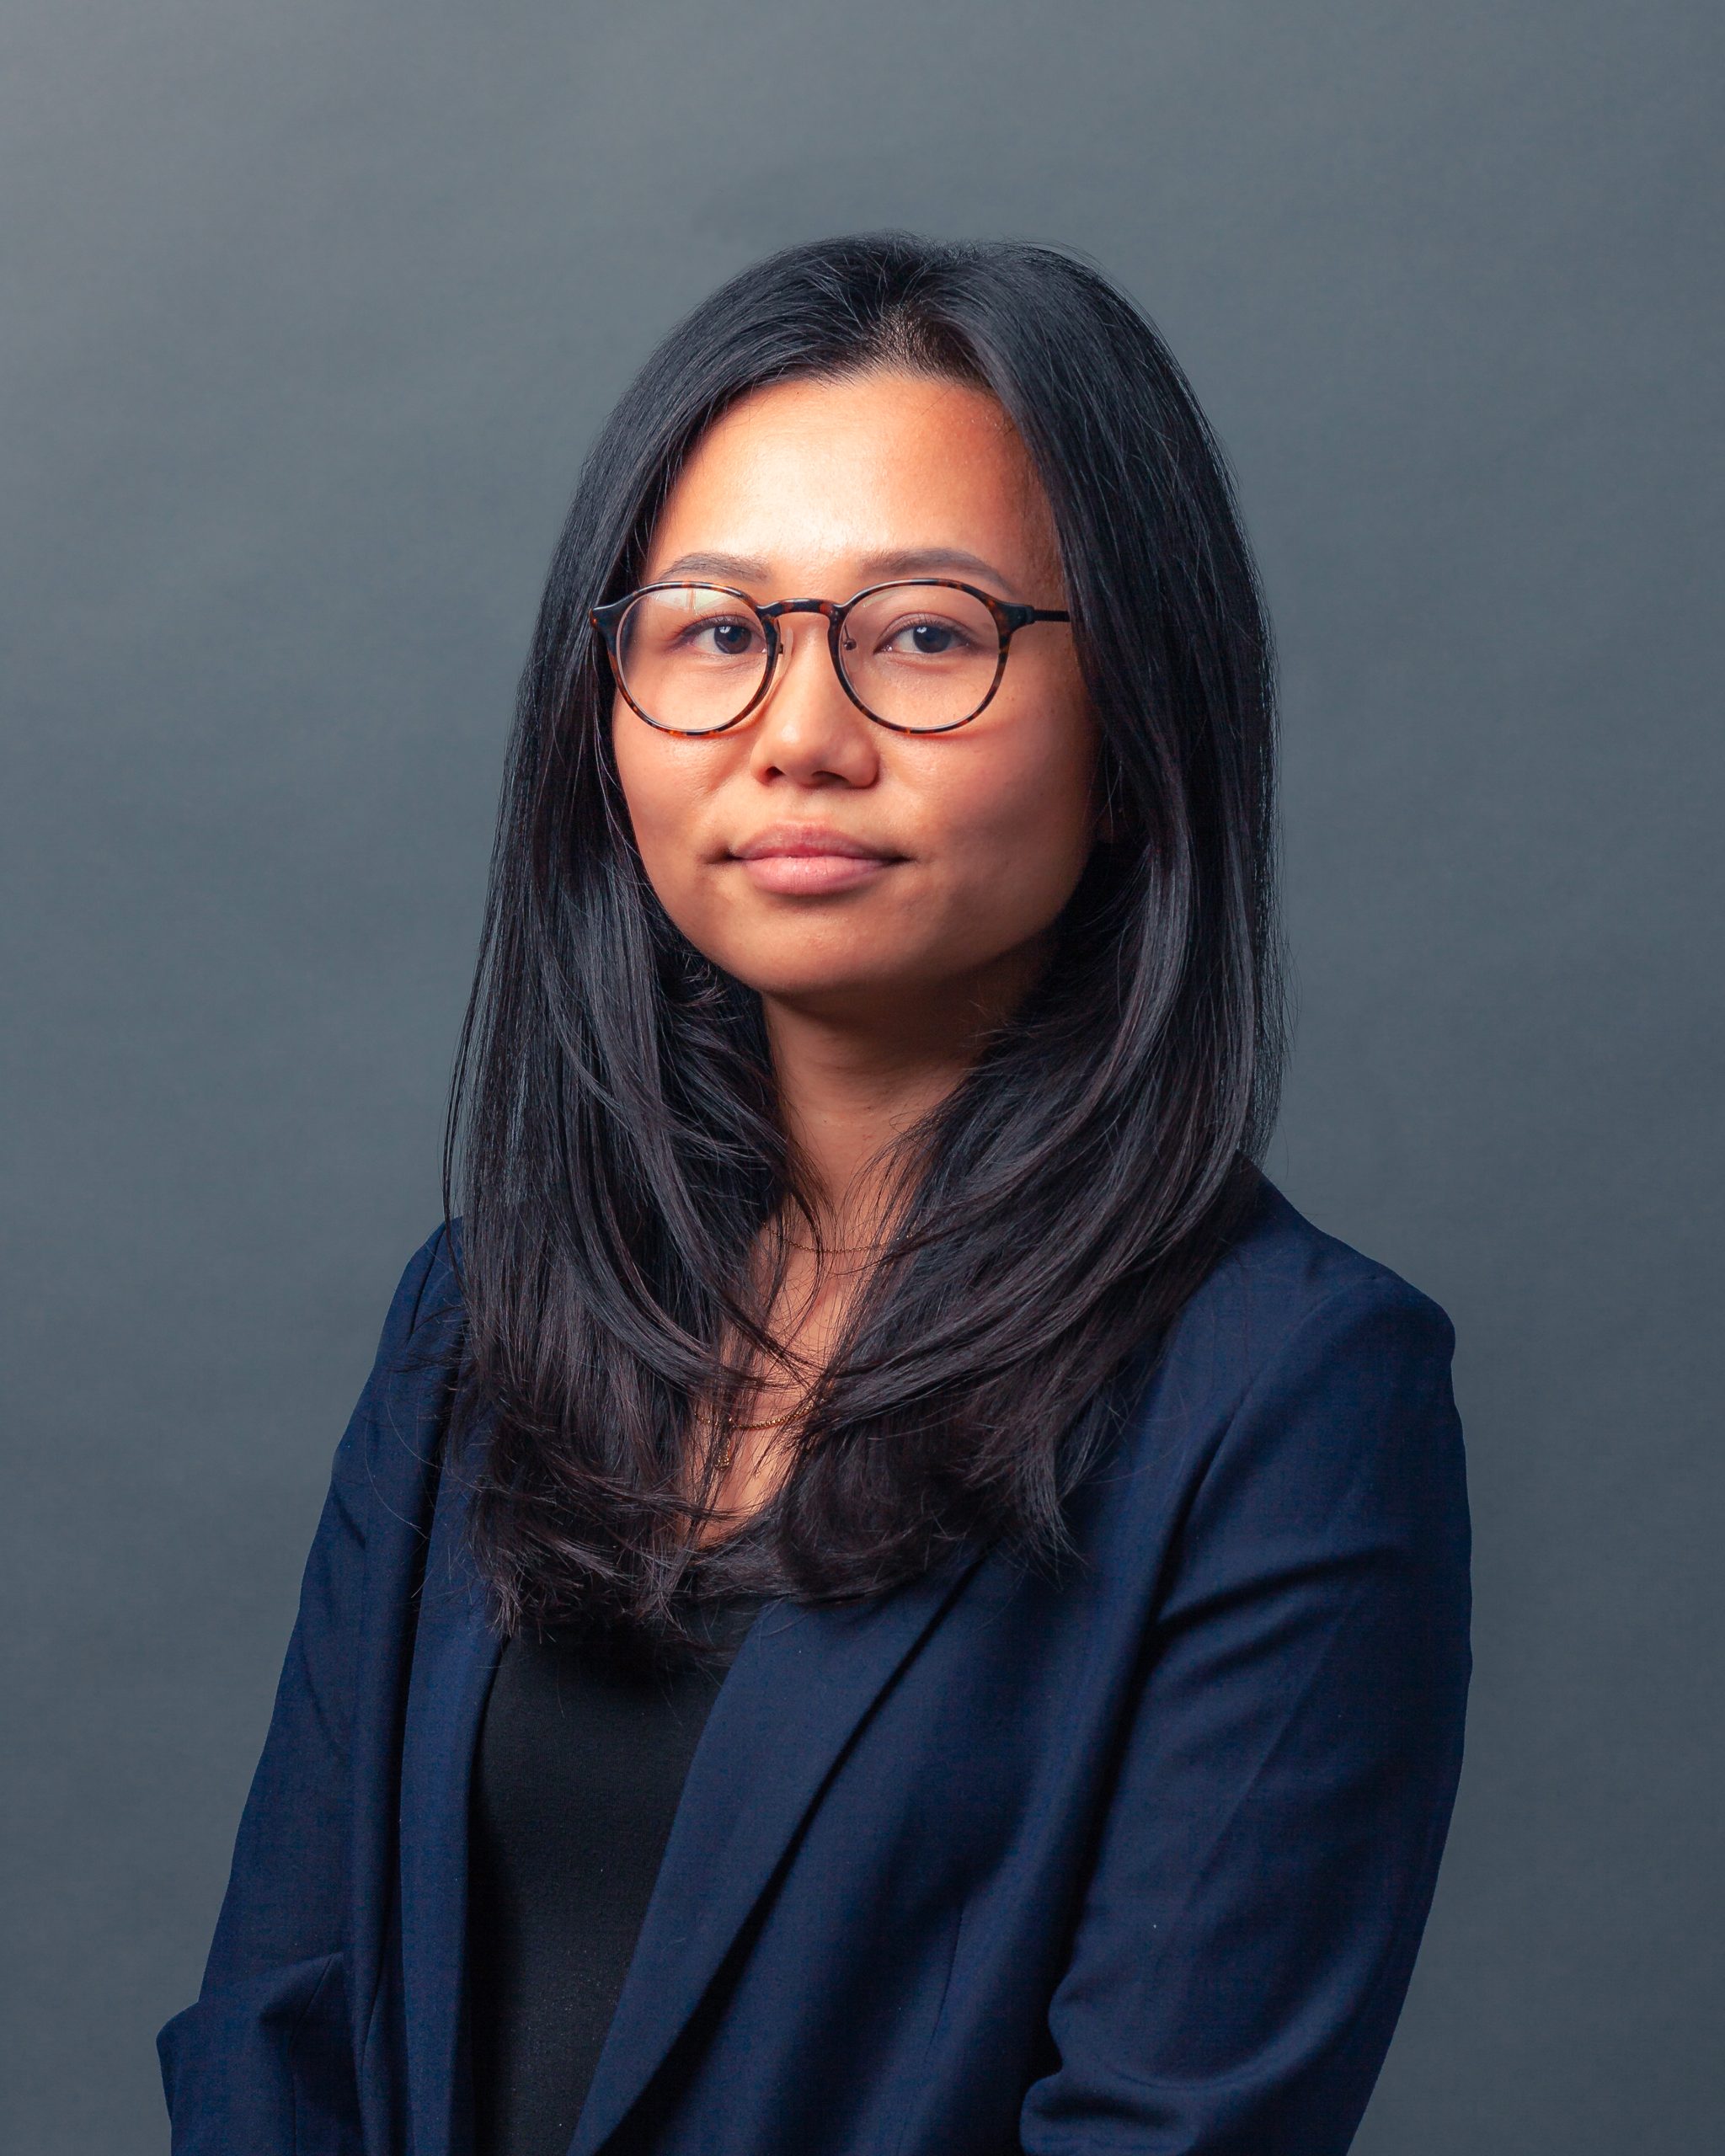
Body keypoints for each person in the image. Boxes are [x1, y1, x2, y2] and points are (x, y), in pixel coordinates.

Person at [158, 233, 1471, 2156]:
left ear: (1136, 735)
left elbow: (1170, 2128)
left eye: (925, 633)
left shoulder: (1293, 1392)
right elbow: (278, 2027)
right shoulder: (480, 1315)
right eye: (712, 629)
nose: (797, 730)